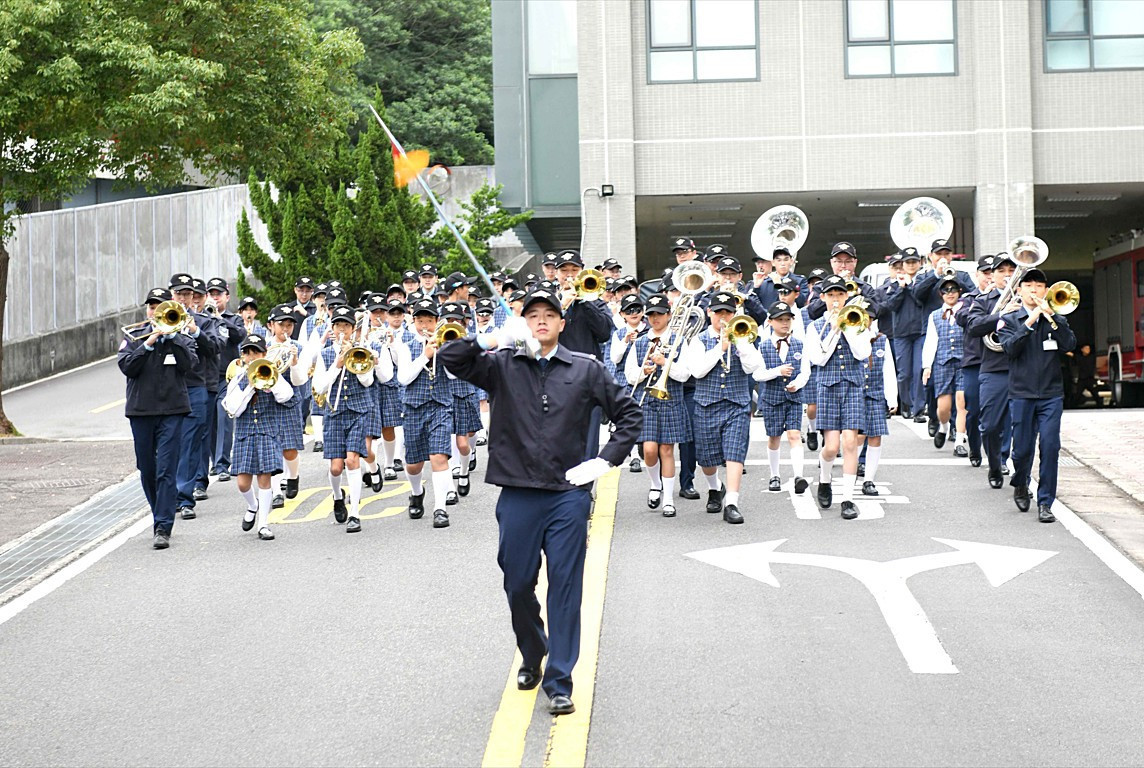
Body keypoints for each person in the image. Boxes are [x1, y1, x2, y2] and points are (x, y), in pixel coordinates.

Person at [438, 288, 640, 716]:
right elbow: (451, 360)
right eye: (533, 315)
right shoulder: (501, 365)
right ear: (523, 322)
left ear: (562, 324)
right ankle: (533, 651)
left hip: (568, 495)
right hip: (518, 494)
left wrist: (603, 463)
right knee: (517, 583)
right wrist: (491, 338)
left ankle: (560, 679)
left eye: (550, 314)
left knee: (565, 587)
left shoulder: (586, 368)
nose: (541, 320)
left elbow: (630, 416)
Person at [119, 288, 199, 549]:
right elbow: (127, 366)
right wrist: (149, 342)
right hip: (141, 411)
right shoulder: (134, 336)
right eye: (151, 306)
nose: (155, 310)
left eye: (159, 306)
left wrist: (173, 338)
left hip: (172, 411)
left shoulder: (180, 334)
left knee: (166, 468)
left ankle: (162, 526)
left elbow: (190, 365)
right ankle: (159, 512)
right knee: (147, 468)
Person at [998, 267, 1076, 523]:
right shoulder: (1009, 319)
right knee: (1021, 450)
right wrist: (1030, 320)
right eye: (1029, 285)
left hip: (1051, 394)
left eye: (1039, 286)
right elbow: (1010, 349)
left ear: (1047, 290)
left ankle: (1045, 502)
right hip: (1021, 393)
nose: (1034, 290)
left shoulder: (1055, 319)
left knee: (1051, 446)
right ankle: (1021, 482)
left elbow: (1069, 344)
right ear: (1019, 290)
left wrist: (1054, 316)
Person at [312, 306, 394, 533]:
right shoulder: (326, 354)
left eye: (346, 326)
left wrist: (356, 360)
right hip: (335, 412)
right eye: (338, 326)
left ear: (352, 329)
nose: (342, 330)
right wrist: (337, 365)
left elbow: (368, 382)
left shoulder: (362, 350)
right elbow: (319, 386)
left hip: (359, 411)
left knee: (352, 460)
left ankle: (355, 513)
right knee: (336, 468)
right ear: (333, 328)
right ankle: (338, 496)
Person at [683, 291, 763, 523]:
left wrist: (740, 345)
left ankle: (732, 503)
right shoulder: (699, 340)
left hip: (737, 403)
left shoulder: (743, 335)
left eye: (727, 313)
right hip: (707, 404)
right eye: (718, 313)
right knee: (706, 460)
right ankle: (714, 487)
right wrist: (720, 348)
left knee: (734, 454)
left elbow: (754, 368)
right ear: (710, 313)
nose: (723, 318)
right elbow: (697, 371)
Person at [805, 275, 873, 519]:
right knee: (831, 447)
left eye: (840, 295)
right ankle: (824, 479)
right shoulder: (814, 327)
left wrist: (848, 329)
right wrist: (833, 331)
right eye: (831, 295)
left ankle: (848, 499)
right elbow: (818, 359)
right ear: (822, 297)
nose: (836, 300)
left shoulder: (858, 322)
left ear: (847, 296)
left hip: (853, 385)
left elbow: (863, 352)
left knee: (850, 443)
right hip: (828, 386)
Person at [222, 335, 300, 541]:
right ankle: (252, 505)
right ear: (243, 356)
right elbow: (233, 409)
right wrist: (249, 386)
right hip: (245, 433)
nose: (251, 357)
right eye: (247, 353)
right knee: (242, 483)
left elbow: (286, 396)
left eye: (256, 352)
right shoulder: (238, 379)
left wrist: (270, 380)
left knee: (265, 478)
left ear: (264, 354)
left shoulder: (274, 374)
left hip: (267, 431)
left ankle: (263, 524)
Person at [625, 294, 692, 517]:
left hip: (671, 400)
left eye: (659, 314)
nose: (655, 318)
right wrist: (643, 372)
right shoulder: (641, 341)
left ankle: (669, 499)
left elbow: (684, 375)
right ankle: (655, 484)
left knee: (667, 450)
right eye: (651, 314)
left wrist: (665, 363)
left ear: (668, 315)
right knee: (649, 450)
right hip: (647, 400)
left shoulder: (679, 340)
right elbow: (629, 374)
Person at [393, 299, 457, 528]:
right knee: (414, 464)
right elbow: (404, 378)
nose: (425, 326)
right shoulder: (405, 344)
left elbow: (452, 377)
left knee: (439, 457)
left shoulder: (447, 341)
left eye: (429, 321)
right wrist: (426, 355)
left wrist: (448, 353)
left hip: (440, 405)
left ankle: (440, 508)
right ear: (413, 322)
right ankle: (416, 492)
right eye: (420, 321)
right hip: (413, 407)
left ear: (437, 322)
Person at [168, 273, 220, 521]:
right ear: (171, 295)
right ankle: (168, 495)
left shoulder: (203, 321)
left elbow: (214, 349)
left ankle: (185, 498)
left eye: (187, 294)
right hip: (167, 388)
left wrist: (195, 331)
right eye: (179, 294)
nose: (184, 298)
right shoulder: (160, 320)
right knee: (167, 445)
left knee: (190, 444)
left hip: (195, 386)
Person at [754, 300, 811, 497]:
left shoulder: (799, 344)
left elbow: (806, 372)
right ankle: (774, 474)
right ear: (770, 322)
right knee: (774, 437)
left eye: (788, 319)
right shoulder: (762, 346)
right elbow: (757, 375)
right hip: (772, 397)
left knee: (794, 435)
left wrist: (798, 384)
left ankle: (798, 476)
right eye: (780, 320)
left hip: (794, 397)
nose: (785, 323)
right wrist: (777, 371)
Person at [206, 277, 247, 483]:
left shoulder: (234, 318)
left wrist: (220, 320)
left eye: (218, 294)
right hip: (207, 377)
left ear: (227, 297)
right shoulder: (202, 318)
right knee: (210, 420)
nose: (215, 298)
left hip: (227, 376)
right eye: (211, 294)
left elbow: (240, 335)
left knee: (224, 417)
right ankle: (214, 460)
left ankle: (223, 464)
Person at [921, 277, 968, 453]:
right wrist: (927, 366)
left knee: (962, 402)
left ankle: (960, 442)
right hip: (942, 362)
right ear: (941, 294)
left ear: (959, 293)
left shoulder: (967, 311)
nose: (950, 293)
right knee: (943, 407)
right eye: (946, 290)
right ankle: (943, 427)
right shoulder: (934, 315)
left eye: (954, 290)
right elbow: (930, 341)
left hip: (963, 362)